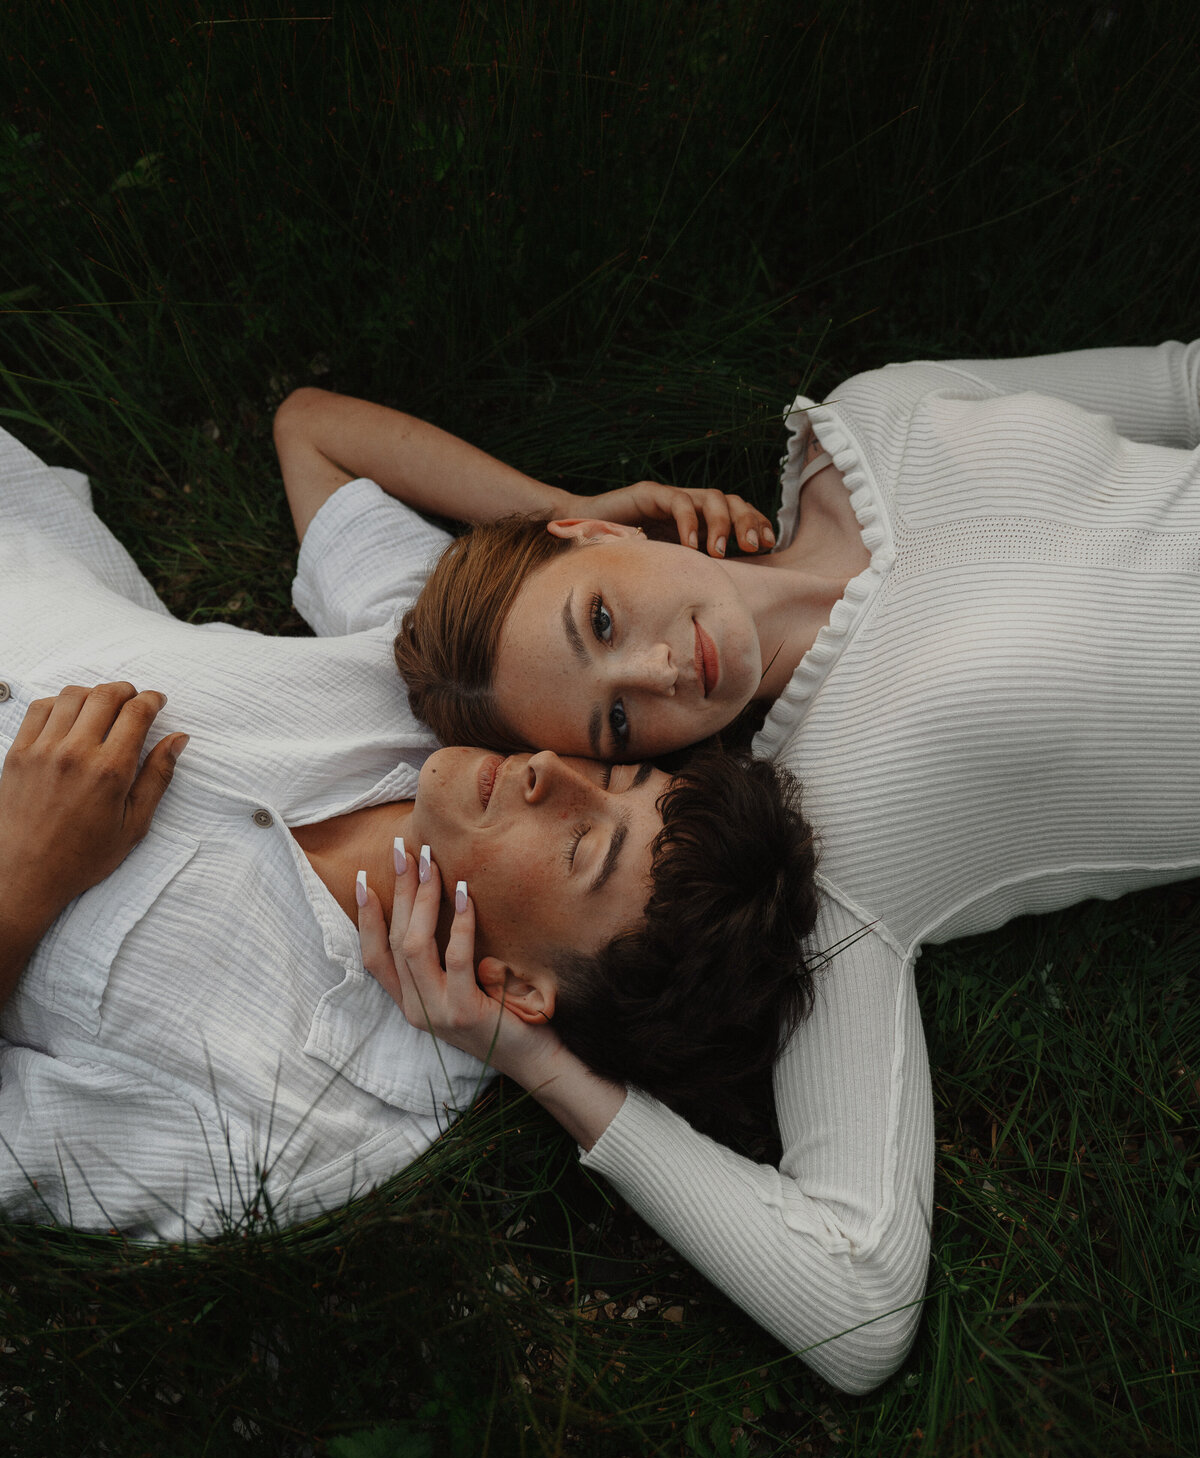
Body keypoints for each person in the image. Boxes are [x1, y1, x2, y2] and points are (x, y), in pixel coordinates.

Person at [276, 342, 1200, 1395]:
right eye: (618, 723)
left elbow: (311, 427)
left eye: (601, 618)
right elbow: (857, 1303)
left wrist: (561, 495)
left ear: (592, 537)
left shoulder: (866, 420)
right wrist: (528, 1057)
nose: (663, 669)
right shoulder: (838, 833)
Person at [0, 423, 813, 1240]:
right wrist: (566, 510)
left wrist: (22, 883)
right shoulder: (463, 697)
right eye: (613, 773)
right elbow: (314, 434)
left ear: (521, 989)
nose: (551, 772)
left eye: (584, 848)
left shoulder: (303, 1121)